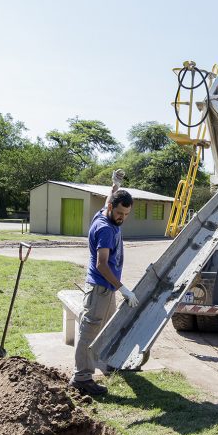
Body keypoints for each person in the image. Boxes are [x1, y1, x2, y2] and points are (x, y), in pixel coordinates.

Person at [70, 170, 140, 397]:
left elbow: (108, 199)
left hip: (105, 289)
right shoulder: (106, 229)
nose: (122, 218)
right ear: (112, 208)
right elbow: (102, 264)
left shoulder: (103, 213)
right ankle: (82, 378)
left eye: (126, 214)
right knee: (89, 332)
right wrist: (124, 289)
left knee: (103, 329)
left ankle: (103, 363)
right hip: (101, 287)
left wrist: (114, 185)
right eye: (120, 213)